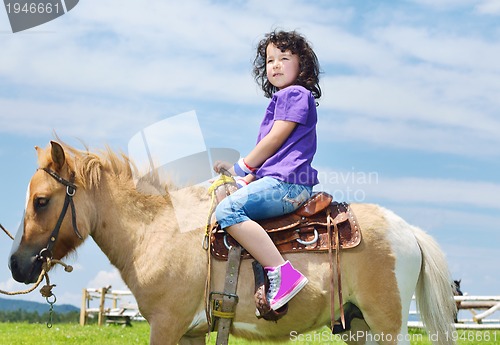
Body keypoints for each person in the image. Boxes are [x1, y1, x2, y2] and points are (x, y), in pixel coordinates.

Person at [213, 30, 321, 311]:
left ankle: (283, 273)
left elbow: (274, 139)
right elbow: (274, 154)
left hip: (288, 185)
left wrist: (241, 166)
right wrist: (248, 177)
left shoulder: (296, 94)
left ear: (302, 66)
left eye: (284, 58)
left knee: (227, 211)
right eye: (270, 59)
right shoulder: (282, 99)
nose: (275, 64)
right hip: (277, 180)